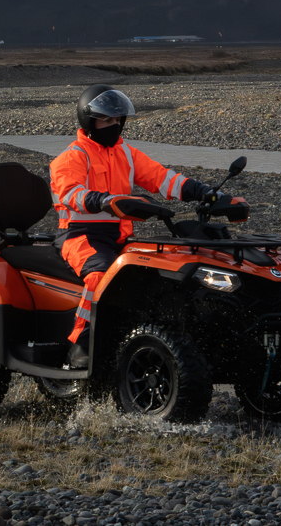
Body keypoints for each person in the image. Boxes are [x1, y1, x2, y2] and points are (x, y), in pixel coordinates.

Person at [49, 84, 217, 368]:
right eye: (107, 120)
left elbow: (162, 178)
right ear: (89, 121)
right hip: (80, 237)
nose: (114, 126)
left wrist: (204, 191)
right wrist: (98, 199)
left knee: (159, 270)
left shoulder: (125, 152)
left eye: (117, 120)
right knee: (99, 275)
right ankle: (80, 344)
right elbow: (69, 192)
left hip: (120, 238)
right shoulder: (72, 156)